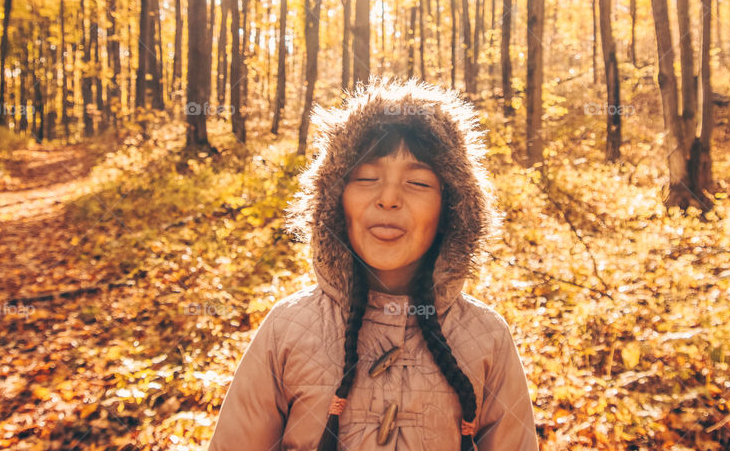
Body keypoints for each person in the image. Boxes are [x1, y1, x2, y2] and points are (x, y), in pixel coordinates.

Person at [208, 76, 539, 450]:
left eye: (417, 183)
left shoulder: (487, 338)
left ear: (451, 209)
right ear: (335, 200)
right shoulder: (288, 330)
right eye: (366, 177)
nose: (389, 199)